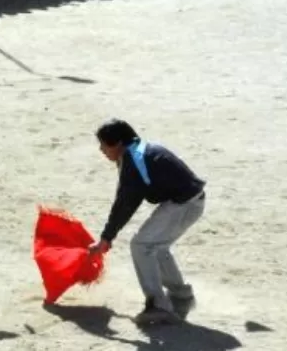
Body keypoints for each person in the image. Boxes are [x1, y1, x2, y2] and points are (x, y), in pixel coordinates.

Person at [88, 119, 206, 326]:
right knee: (156, 247)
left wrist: (106, 238)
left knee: (141, 245)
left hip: (183, 204)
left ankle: (159, 306)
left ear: (117, 144)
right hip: (189, 201)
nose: (101, 150)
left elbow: (125, 203)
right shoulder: (140, 150)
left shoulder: (134, 160)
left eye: (103, 145)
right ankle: (180, 297)